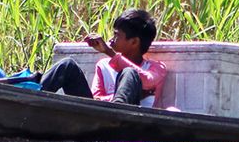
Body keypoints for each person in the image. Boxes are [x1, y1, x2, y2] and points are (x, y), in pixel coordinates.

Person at [39, 7, 167, 107]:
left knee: (130, 72)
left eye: (117, 35)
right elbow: (97, 98)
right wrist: (127, 96)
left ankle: (119, 109)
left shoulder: (156, 68)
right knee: (67, 65)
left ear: (134, 42)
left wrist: (109, 52)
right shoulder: (104, 65)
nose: (111, 39)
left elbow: (147, 81)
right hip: (99, 114)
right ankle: (33, 95)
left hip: (128, 119)